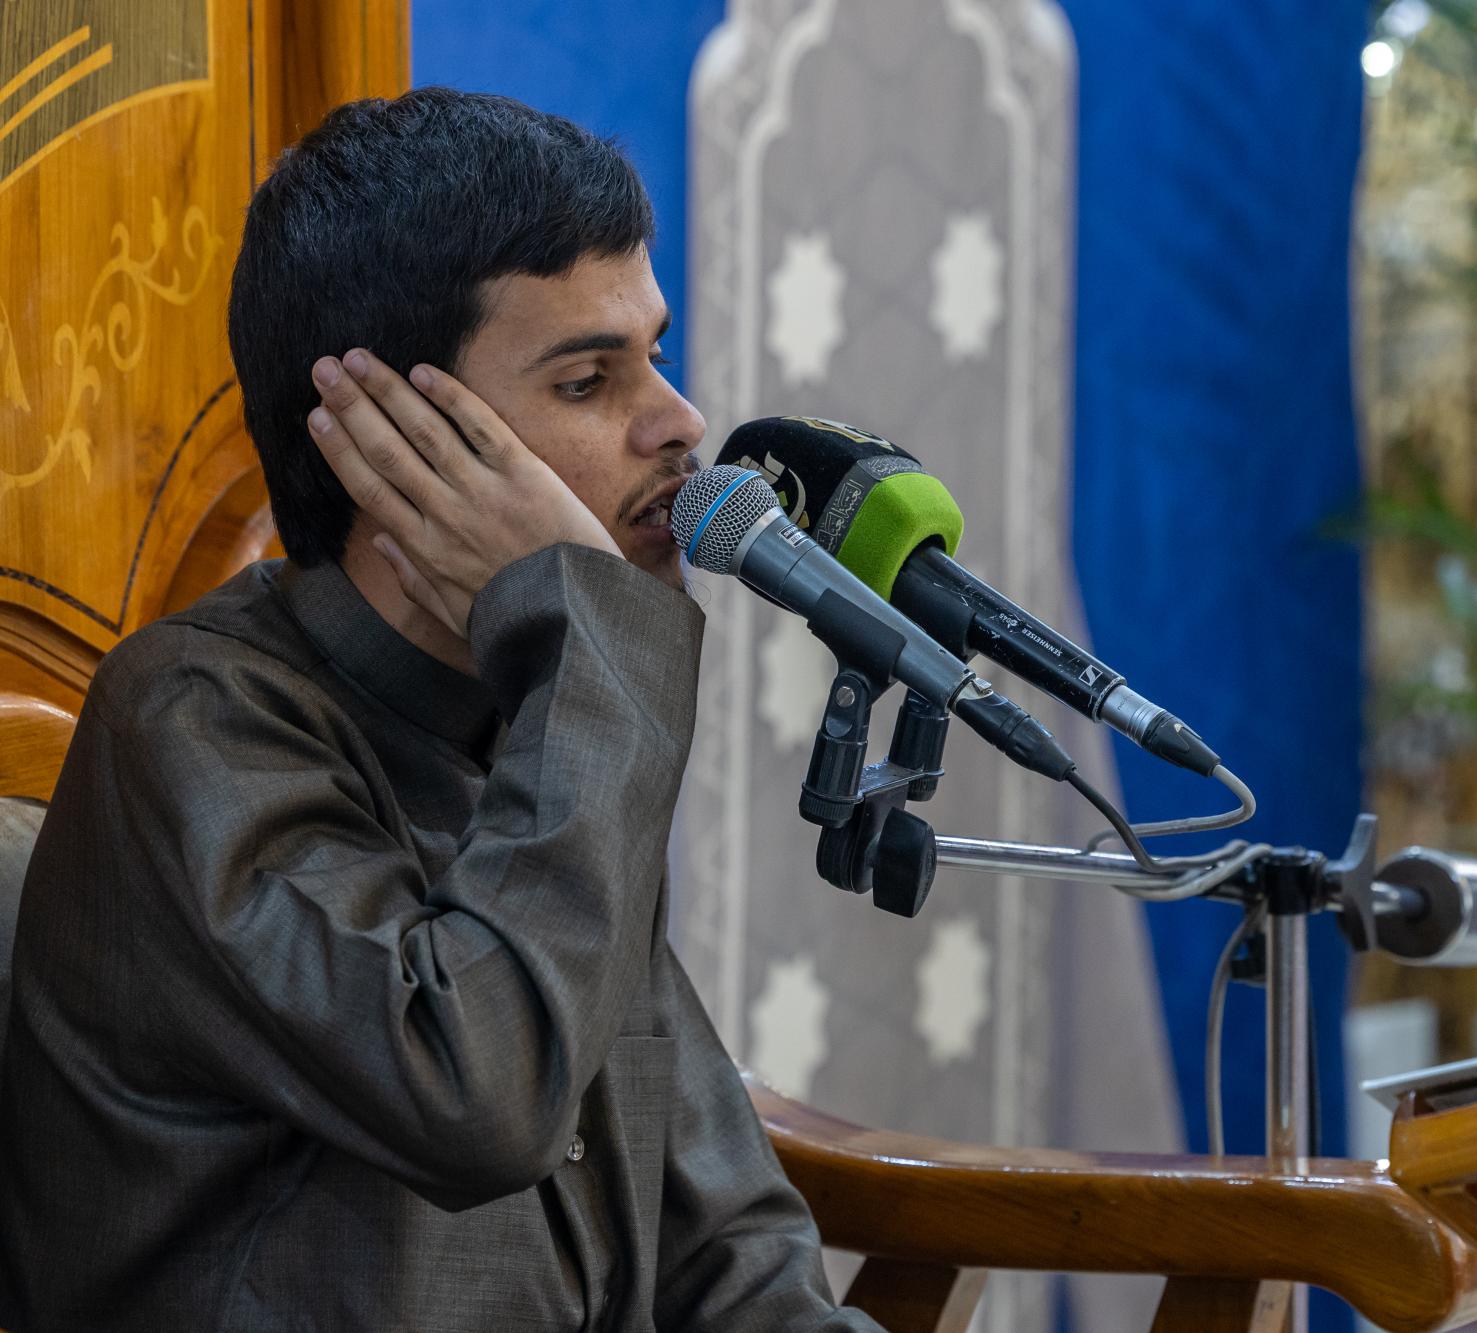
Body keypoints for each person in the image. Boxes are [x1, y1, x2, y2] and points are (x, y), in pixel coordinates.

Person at [0, 87, 879, 1331]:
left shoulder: (535, 709)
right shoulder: (193, 721)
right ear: (392, 441)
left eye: (656, 356)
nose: (681, 425)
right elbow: (476, 1097)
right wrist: (589, 650)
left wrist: (575, 665)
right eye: (588, 380)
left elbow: (728, 1258)